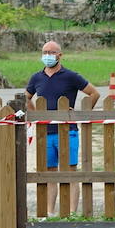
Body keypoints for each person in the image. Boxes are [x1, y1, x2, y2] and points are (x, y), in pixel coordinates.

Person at [26, 40, 99, 217]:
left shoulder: (71, 76)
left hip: (69, 131)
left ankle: (72, 213)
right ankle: (50, 213)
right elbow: (27, 98)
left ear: (60, 55)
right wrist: (38, 115)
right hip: (46, 133)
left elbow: (94, 93)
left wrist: (80, 113)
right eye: (45, 52)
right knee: (50, 174)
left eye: (52, 52)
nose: (48, 55)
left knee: (70, 172)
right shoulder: (37, 78)